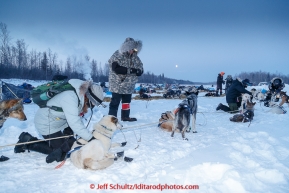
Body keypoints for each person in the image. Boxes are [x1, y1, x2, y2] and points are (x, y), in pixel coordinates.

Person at [14, 79, 104, 163]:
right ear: (88, 97)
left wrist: (69, 135)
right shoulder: (70, 97)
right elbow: (75, 123)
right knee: (60, 153)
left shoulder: (79, 96)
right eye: (93, 103)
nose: (92, 106)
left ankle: (64, 139)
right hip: (46, 123)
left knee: (72, 145)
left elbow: (74, 118)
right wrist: (92, 139)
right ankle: (26, 141)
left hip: (60, 122)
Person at [108, 37, 144, 122]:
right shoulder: (118, 54)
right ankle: (111, 119)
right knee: (115, 102)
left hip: (129, 85)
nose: (133, 51)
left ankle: (125, 116)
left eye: (134, 49)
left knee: (126, 102)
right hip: (118, 84)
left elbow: (140, 68)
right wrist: (131, 70)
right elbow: (115, 68)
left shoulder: (135, 58)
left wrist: (139, 71)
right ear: (126, 47)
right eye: (131, 49)